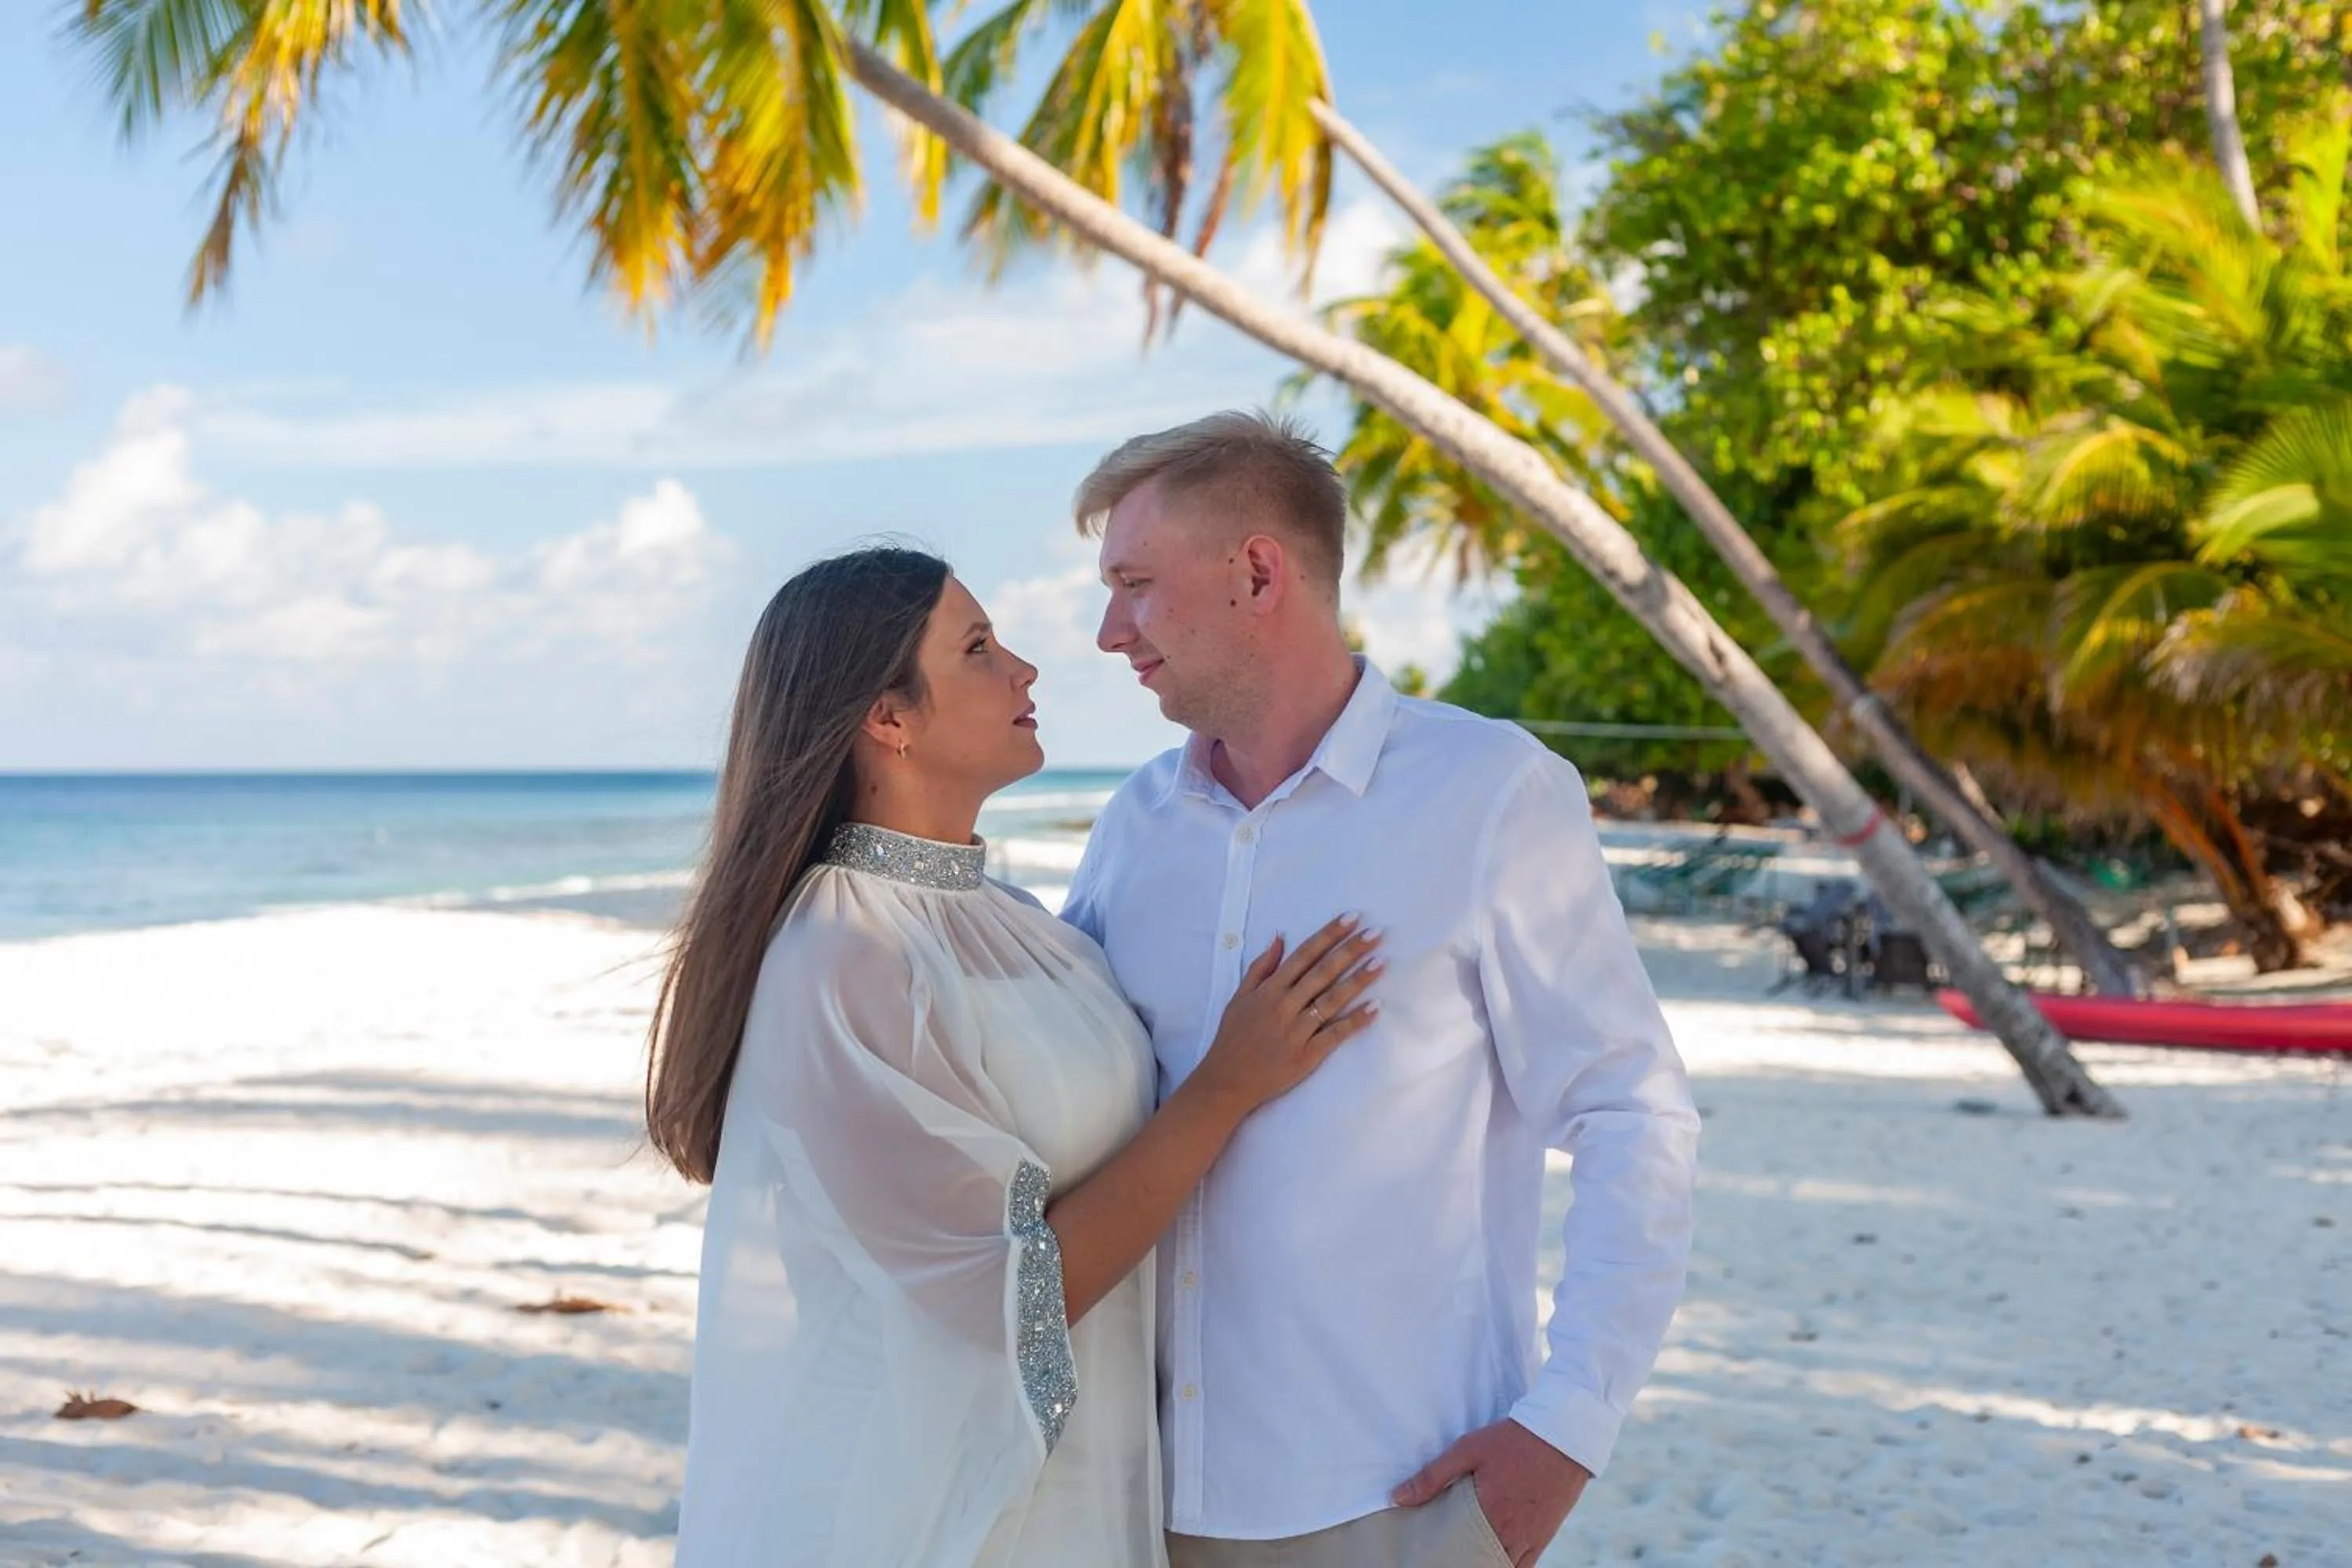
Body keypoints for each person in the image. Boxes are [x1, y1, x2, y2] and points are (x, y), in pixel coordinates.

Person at [649, 547, 1383, 1567]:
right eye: (979, 649)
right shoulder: (843, 955)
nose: (1025, 669)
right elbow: (1008, 1301)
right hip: (939, 1516)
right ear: (889, 718)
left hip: (1085, 1481)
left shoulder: (1020, 922)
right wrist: (1227, 1087)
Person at [1062, 412, 1703, 1568]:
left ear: (1258, 573)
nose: (1111, 633)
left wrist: (1569, 1428)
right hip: (1143, 1507)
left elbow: (1632, 1113)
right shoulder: (1132, 827)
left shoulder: (1493, 791)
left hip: (1402, 1500)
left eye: (1135, 586)